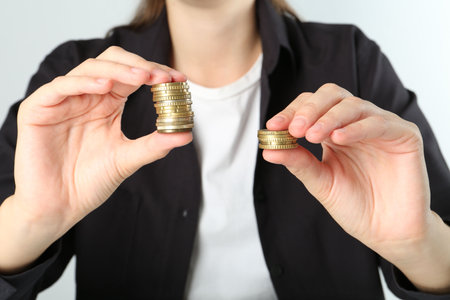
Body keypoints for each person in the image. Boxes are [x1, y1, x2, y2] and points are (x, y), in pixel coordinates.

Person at [0, 0, 449, 299]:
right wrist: (30, 219)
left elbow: (438, 237)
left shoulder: (353, 60)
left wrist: (418, 244)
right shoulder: (77, 80)